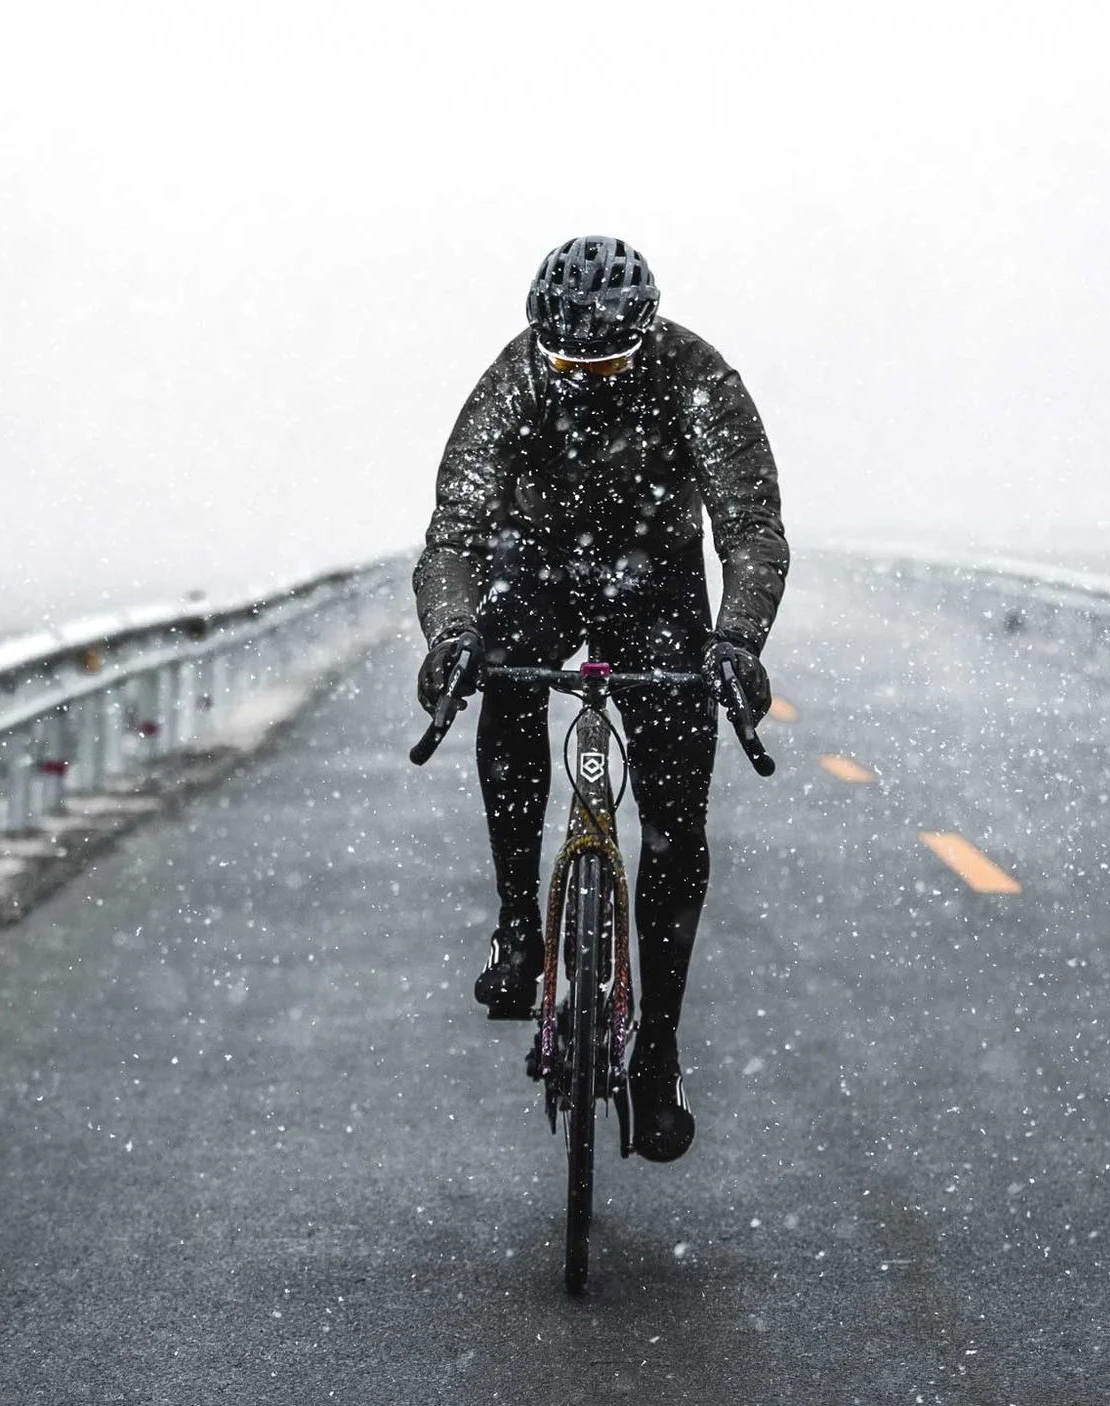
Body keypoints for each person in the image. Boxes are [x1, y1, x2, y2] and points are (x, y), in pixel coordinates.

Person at [413, 235, 789, 1163]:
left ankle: (656, 1052)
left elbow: (749, 526)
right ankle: (516, 926)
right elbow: (455, 533)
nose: (589, 376)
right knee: (501, 692)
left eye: (611, 360)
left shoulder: (699, 377)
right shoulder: (511, 380)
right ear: (542, 341)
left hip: (655, 583)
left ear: (647, 338)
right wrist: (452, 635)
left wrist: (737, 639)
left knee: (675, 822)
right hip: (531, 569)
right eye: (570, 361)